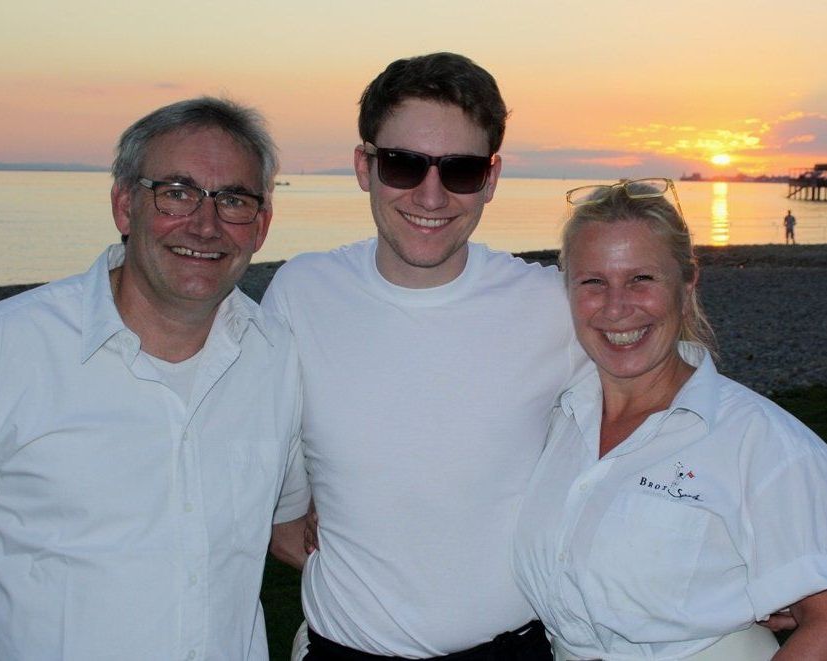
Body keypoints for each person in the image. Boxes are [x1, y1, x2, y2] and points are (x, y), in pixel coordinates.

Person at [0, 97, 307, 660]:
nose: (205, 224)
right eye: (178, 193)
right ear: (123, 206)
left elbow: (289, 527)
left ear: (260, 226)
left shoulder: (278, 357)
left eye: (233, 200)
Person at [265, 52, 586, 659]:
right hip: (344, 647)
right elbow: (269, 428)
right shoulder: (303, 293)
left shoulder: (551, 305)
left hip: (509, 648)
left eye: (460, 171)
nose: (431, 196)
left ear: (491, 178)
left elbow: (677, 402)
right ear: (365, 166)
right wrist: (283, 511)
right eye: (403, 164)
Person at [513, 178, 827, 659]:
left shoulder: (761, 443)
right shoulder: (556, 421)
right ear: (567, 289)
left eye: (642, 279)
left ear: (686, 282)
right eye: (593, 281)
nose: (617, 307)